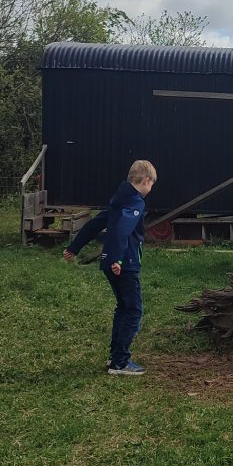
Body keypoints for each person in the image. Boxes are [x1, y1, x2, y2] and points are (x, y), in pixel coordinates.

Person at [64, 160, 157, 376]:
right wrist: (118, 259)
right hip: (124, 263)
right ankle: (120, 363)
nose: (150, 189)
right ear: (146, 180)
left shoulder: (118, 200)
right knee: (133, 310)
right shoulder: (135, 202)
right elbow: (123, 228)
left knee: (123, 307)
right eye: (152, 185)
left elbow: (95, 224)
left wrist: (74, 247)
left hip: (110, 262)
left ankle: (115, 357)